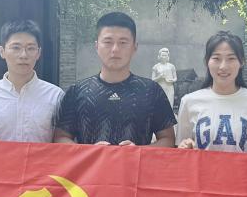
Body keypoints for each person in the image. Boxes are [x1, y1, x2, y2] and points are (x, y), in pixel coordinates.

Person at [53, 11, 176, 147]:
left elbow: (168, 139)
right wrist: (90, 152)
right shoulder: (77, 91)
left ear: (135, 47)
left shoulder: (151, 91)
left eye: (123, 42)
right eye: (108, 42)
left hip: (137, 161)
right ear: (96, 46)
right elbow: (60, 137)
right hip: (91, 162)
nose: (115, 49)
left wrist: (139, 152)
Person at [176, 31, 247, 154]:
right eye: (216, 58)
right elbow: (180, 152)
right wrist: (184, 147)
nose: (223, 66)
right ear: (207, 62)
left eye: (231, 58)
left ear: (242, 62)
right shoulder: (189, 102)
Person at [0, 19, 64, 142]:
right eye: (16, 48)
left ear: (38, 53)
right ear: (2, 51)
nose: (23, 55)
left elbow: (60, 143)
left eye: (30, 48)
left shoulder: (55, 96)